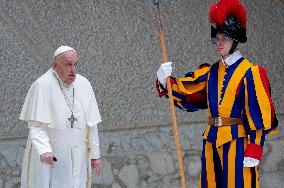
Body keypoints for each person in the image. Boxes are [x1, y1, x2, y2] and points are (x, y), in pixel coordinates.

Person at [155, 0, 278, 187]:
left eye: (225, 38)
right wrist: (166, 81)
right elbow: (189, 92)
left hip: (237, 141)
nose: (219, 43)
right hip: (211, 139)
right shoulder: (211, 72)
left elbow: (259, 112)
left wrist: (255, 146)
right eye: (218, 38)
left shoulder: (250, 72)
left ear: (235, 40)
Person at [20, 46, 103, 188]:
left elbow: (92, 124)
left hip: (79, 155)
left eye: (75, 64)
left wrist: (95, 155)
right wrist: (45, 150)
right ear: (55, 65)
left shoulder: (84, 84)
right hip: (54, 156)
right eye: (68, 65)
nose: (73, 70)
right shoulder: (42, 85)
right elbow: (36, 126)